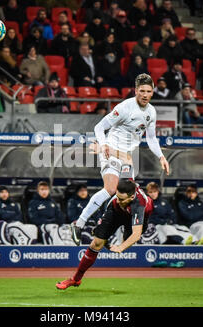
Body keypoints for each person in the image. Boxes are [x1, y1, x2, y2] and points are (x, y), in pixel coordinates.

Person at [70, 73, 170, 246]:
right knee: (111, 189)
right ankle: (78, 224)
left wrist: (161, 156)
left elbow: (152, 138)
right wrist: (104, 145)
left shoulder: (151, 112)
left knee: (126, 196)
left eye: (149, 91)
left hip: (127, 157)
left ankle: (104, 226)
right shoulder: (125, 107)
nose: (145, 95)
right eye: (142, 91)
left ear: (153, 92)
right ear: (135, 90)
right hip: (111, 150)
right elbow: (99, 127)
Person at [56, 179, 147, 289]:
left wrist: (121, 247)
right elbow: (113, 202)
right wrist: (102, 225)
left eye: (121, 199)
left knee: (127, 241)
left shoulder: (139, 205)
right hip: (115, 213)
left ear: (132, 197)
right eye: (116, 197)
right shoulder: (116, 201)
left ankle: (107, 241)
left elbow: (136, 235)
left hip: (132, 218)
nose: (118, 200)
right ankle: (75, 279)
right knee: (96, 243)